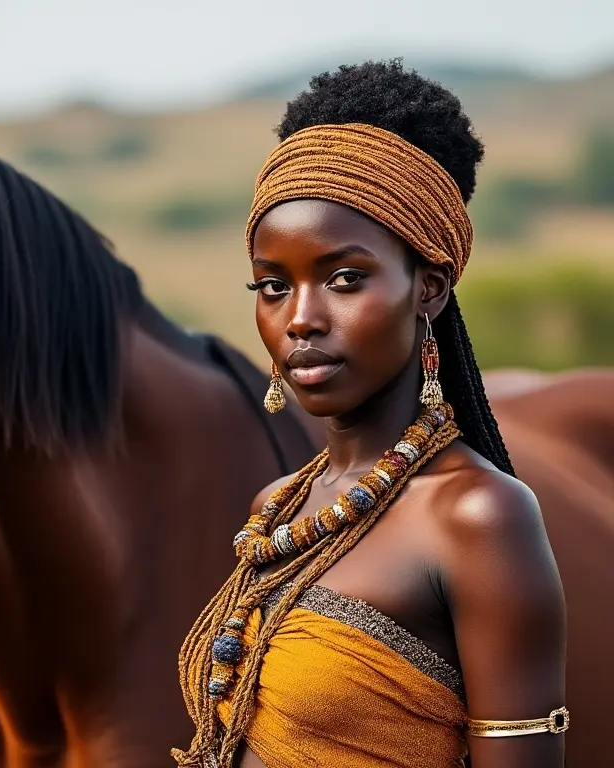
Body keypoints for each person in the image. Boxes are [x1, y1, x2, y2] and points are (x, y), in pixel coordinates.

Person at [171, 60, 568, 768]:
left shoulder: (479, 518)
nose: (300, 319)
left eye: (344, 279)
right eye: (272, 285)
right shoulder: (278, 507)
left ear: (431, 288)